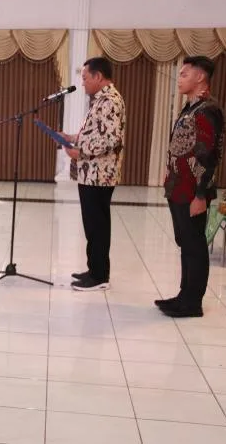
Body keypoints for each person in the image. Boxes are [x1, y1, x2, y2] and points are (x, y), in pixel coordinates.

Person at [155, 56, 225, 318]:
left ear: (200, 77)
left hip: (192, 191)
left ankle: (192, 303)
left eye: (185, 74)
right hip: (179, 187)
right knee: (186, 242)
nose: (179, 78)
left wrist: (201, 195)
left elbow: (208, 156)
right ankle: (184, 295)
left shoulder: (208, 110)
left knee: (194, 245)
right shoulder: (191, 107)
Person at [64, 57, 125, 291]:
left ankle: (99, 276)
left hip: (100, 174)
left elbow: (111, 139)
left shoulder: (110, 101)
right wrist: (72, 137)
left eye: (85, 78)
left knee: (97, 226)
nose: (83, 83)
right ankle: (94, 269)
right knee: (93, 225)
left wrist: (80, 152)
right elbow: (96, 134)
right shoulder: (101, 100)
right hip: (92, 173)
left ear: (98, 76)